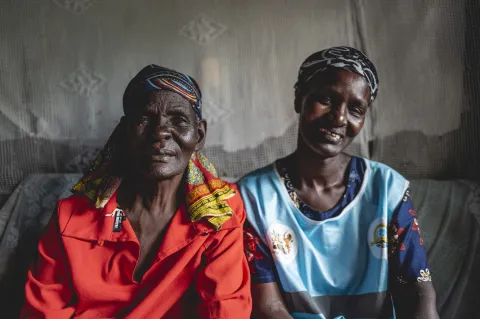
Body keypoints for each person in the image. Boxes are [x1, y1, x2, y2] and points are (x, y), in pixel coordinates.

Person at [21, 65, 252, 319]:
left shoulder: (220, 213)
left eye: (178, 120)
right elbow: (44, 311)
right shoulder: (71, 218)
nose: (160, 133)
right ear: (123, 132)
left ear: (199, 135)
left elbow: (225, 310)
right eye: (143, 119)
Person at [239, 47, 438, 319]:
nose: (340, 118)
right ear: (299, 99)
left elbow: (418, 293)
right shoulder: (253, 198)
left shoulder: (387, 189)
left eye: (356, 109)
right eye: (325, 99)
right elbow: (268, 307)